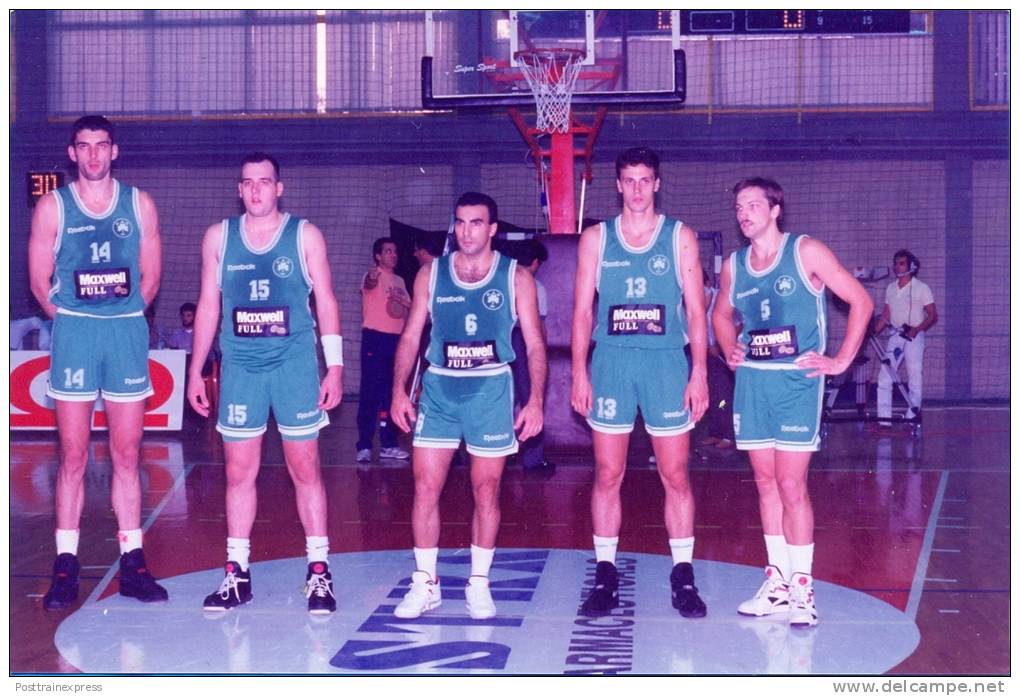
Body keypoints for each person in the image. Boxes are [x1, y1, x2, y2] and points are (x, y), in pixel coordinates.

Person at [712, 177, 873, 628]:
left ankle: (803, 587)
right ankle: (778, 583)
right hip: (753, 383)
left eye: (753, 205)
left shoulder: (806, 252)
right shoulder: (734, 265)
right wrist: (729, 348)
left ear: (775, 209)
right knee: (765, 483)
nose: (744, 213)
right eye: (739, 206)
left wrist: (842, 359)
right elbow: (720, 314)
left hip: (797, 384)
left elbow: (861, 301)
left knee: (790, 484)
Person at [187, 153, 344, 614]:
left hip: (294, 366)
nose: (256, 190)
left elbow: (327, 301)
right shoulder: (218, 237)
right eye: (248, 183)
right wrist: (197, 368)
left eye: (265, 182)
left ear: (280, 188)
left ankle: (319, 572)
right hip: (241, 369)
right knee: (238, 473)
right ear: (239, 189)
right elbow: (208, 306)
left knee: (305, 469)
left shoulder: (304, 235)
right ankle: (237, 574)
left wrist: (333, 366)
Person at [28, 115, 167, 610]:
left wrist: (126, 313)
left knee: (128, 455)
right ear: (72, 153)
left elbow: (151, 277)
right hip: (77, 335)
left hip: (126, 331)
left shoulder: (139, 204)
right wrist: (75, 318)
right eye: (83, 146)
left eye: (101, 146)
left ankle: (133, 563)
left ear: (114, 151)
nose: (92, 155)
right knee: (73, 456)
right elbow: (40, 281)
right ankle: (66, 566)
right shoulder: (53, 207)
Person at [390, 192, 546, 620]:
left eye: (476, 223)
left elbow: (534, 343)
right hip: (440, 388)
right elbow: (410, 337)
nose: (466, 231)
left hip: (491, 389)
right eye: (460, 222)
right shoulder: (431, 274)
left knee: (486, 489)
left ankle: (479, 582)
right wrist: (399, 390)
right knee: (425, 487)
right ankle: (426, 583)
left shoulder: (516, 277)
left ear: (492, 229)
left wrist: (535, 400)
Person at [570, 147, 710, 619]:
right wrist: (578, 370)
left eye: (644, 180)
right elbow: (582, 310)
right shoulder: (596, 238)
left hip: (666, 364)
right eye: (627, 180)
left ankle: (683, 574)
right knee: (608, 474)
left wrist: (700, 372)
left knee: (675, 475)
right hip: (611, 363)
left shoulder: (679, 237)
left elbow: (695, 310)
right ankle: (605, 574)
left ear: (657, 184)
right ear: (617, 184)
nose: (635, 189)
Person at [356, 238, 412, 463]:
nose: (393, 255)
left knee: (393, 393)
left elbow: (409, 307)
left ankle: (389, 444)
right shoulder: (373, 275)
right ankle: (364, 445)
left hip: (396, 341)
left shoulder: (399, 280)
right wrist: (371, 276)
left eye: (395, 251)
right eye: (388, 251)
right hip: (374, 339)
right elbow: (369, 284)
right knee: (370, 393)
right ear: (378, 256)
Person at [872, 250, 937, 425]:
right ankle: (883, 420)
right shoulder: (891, 288)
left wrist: (917, 329)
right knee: (885, 375)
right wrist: (873, 331)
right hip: (896, 336)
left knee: (914, 376)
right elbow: (886, 314)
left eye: (901, 263)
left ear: (911, 266)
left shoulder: (922, 288)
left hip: (914, 337)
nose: (897, 266)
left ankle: (912, 416)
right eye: (896, 263)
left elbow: (932, 315)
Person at [510, 239, 553, 472]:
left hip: (500, 343)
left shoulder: (501, 281)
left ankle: (499, 452)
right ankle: (533, 459)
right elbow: (539, 327)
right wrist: (542, 354)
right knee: (532, 399)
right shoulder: (535, 287)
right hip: (523, 342)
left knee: (501, 398)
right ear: (535, 262)